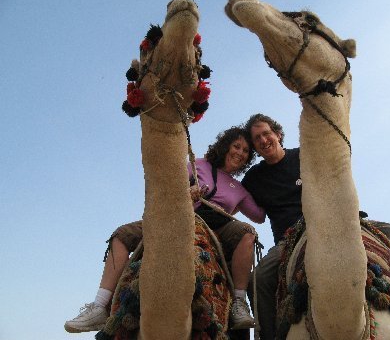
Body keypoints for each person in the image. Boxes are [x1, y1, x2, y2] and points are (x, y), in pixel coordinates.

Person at [241, 113, 390, 340]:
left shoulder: (308, 155)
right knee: (259, 277)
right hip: (291, 236)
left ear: (277, 134)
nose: (263, 140)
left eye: (266, 133)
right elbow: (236, 200)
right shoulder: (254, 179)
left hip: (334, 219)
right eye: (257, 139)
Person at [65, 126, 266, 333]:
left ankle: (239, 303)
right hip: (178, 217)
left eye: (245, 152)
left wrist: (263, 180)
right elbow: (166, 190)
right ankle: (99, 306)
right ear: (226, 146)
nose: (240, 153)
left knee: (247, 232)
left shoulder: (239, 189)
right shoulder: (197, 166)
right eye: (237, 146)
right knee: (122, 235)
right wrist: (187, 192)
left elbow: (259, 216)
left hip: (217, 227)